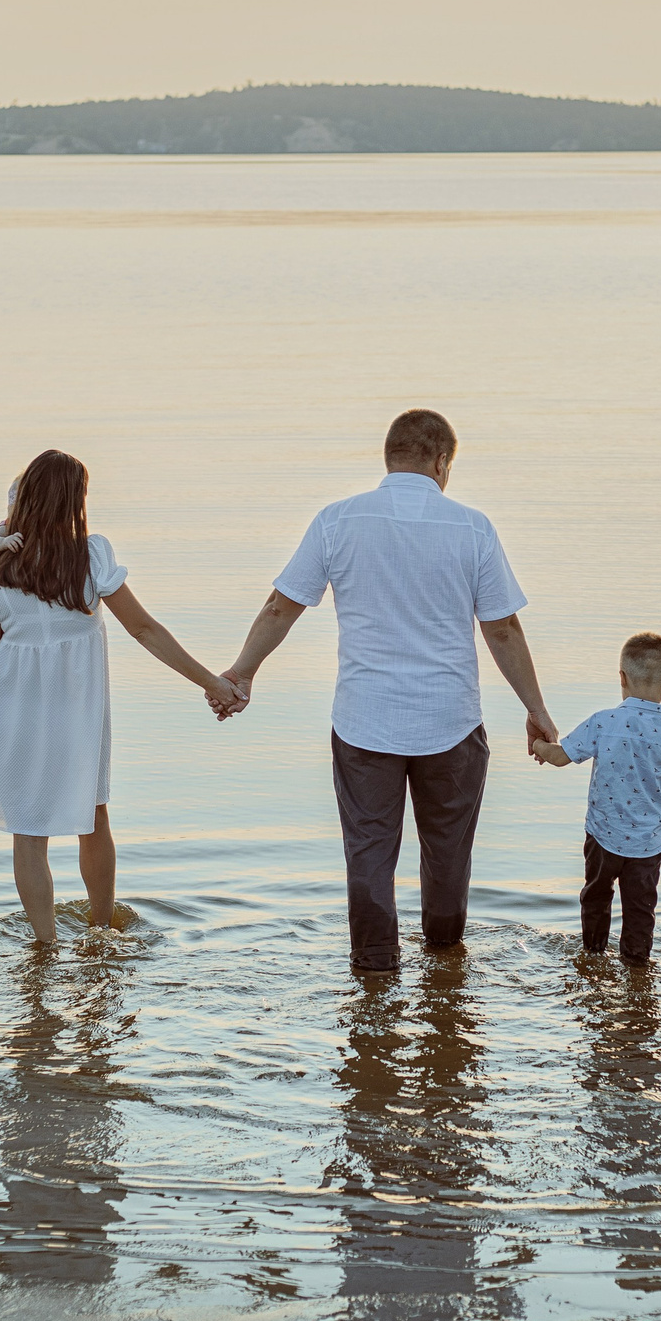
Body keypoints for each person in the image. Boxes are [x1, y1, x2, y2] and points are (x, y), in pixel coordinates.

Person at [220, 409, 556, 973]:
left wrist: (242, 671)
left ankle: (374, 967)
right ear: (442, 462)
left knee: (369, 851)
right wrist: (536, 708)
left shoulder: (337, 520)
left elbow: (281, 606)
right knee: (448, 851)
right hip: (451, 721)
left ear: (389, 457)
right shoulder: (472, 527)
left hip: (365, 721)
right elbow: (501, 628)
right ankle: (445, 959)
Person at [0, 450, 239, 935]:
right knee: (93, 817)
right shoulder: (90, 557)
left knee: (28, 832)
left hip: (18, 713)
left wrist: (17, 610)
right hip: (80, 710)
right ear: (75, 502)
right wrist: (212, 683)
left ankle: (44, 946)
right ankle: (102, 931)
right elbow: (144, 629)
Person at [533, 632, 661, 966]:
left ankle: (593, 956)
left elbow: (560, 757)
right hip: (647, 844)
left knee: (596, 896)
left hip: (603, 835)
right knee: (640, 907)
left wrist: (539, 745)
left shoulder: (604, 722)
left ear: (622, 678)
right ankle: (637, 966)